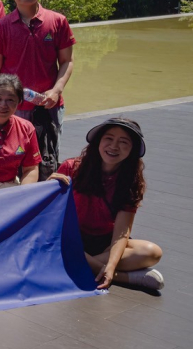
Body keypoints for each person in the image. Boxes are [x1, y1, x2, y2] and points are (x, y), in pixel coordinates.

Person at [49, 118, 164, 291]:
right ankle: (123, 277)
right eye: (109, 138)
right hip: (70, 237)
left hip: (103, 243)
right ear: (98, 141)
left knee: (152, 252)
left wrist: (111, 264)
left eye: (123, 142)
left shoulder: (131, 181)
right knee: (55, 244)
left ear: (132, 149)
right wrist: (48, 186)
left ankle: (79, 265)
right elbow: (51, 215)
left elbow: (122, 231)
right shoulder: (72, 167)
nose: (114, 146)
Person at [0, 0, 75, 179]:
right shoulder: (1, 26)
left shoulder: (57, 21)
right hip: (13, 106)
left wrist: (56, 90)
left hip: (49, 104)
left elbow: (67, 61)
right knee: (10, 159)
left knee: (48, 158)